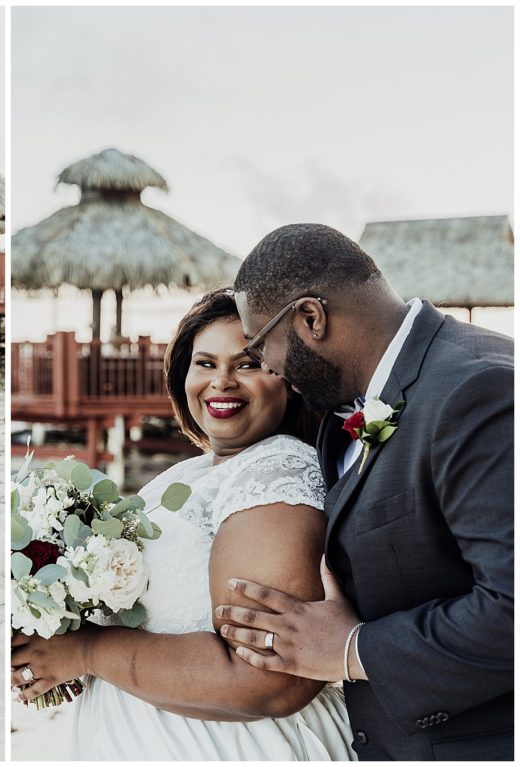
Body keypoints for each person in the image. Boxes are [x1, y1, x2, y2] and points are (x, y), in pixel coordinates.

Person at [11, 288, 355, 760]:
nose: (223, 382)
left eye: (249, 364)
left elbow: (269, 682)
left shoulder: (275, 473)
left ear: (290, 379)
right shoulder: (189, 473)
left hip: (231, 746)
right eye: (206, 363)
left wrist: (87, 652)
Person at [218, 223, 513, 760]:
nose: (267, 367)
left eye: (260, 346)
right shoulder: (345, 408)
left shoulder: (479, 389)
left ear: (311, 318)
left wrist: (353, 652)